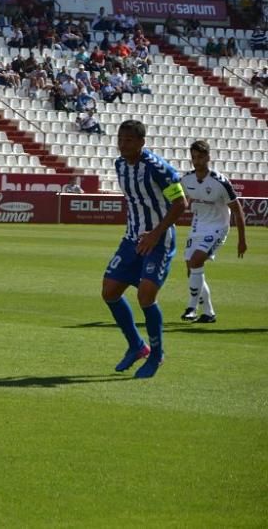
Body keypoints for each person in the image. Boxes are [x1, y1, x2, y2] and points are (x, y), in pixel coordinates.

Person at [102, 120, 187, 378]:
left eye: (128, 140)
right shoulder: (120, 165)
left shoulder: (158, 168)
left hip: (158, 241)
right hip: (131, 240)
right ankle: (137, 346)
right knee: (109, 291)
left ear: (141, 142)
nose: (122, 144)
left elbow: (180, 203)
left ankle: (157, 356)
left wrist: (154, 233)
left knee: (146, 296)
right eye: (120, 139)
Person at [179, 140, 247, 324]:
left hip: (218, 227)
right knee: (192, 268)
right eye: (194, 157)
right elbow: (178, 199)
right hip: (197, 226)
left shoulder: (220, 182)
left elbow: (238, 209)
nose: (197, 161)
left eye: (200, 157)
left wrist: (242, 239)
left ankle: (191, 307)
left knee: (195, 261)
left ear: (208, 158)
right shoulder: (186, 179)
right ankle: (208, 313)